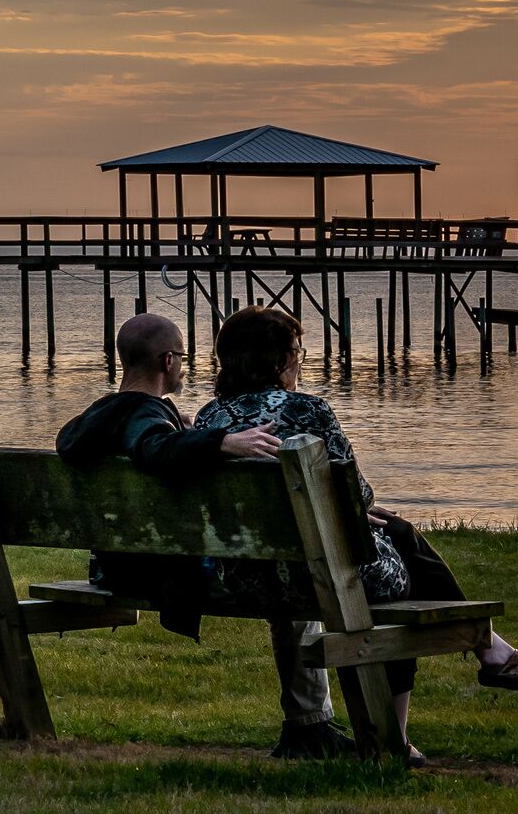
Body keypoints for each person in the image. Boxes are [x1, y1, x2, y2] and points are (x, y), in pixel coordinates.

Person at [192, 306, 518, 764]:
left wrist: (357, 510)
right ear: (278, 359)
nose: (301, 359)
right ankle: (427, 709)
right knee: (400, 589)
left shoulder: (208, 420)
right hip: (316, 573)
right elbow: (358, 491)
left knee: (395, 531)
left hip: (245, 576)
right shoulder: (308, 409)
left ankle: (491, 653)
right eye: (297, 351)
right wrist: (358, 509)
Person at [57, 312, 350, 758]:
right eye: (183, 358)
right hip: (163, 574)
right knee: (289, 572)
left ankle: (309, 728)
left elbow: (108, 443)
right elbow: (153, 447)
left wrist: (193, 435)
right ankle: (310, 727)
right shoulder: (145, 413)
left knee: (285, 568)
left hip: (115, 567)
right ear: (168, 361)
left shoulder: (99, 416)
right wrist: (221, 443)